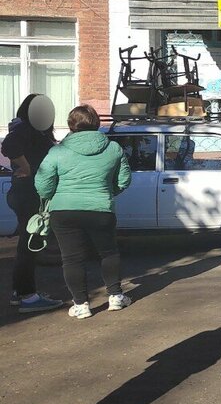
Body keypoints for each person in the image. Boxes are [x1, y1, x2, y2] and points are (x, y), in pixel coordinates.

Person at [35, 105, 132, 319]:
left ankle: (81, 305)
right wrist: (107, 192)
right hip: (101, 208)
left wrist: (53, 195)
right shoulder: (113, 148)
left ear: (71, 125)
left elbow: (43, 183)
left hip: (64, 211)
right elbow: (124, 179)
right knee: (108, 253)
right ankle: (116, 296)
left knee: (71, 259)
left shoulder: (58, 151)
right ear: (97, 123)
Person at [2, 94, 63, 313]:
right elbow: (9, 147)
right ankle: (28, 296)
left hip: (26, 193)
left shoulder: (30, 130)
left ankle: (20, 292)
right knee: (30, 244)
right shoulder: (25, 129)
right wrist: (26, 167)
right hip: (28, 194)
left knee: (26, 245)